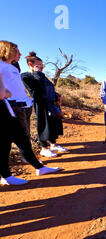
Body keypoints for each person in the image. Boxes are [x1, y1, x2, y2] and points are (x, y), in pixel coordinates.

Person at [0, 41, 61, 186]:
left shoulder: (11, 66)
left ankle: (12, 174)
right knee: (15, 140)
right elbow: (4, 91)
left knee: (16, 140)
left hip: (14, 107)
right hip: (9, 107)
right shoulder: (1, 66)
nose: (20, 53)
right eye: (16, 50)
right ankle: (11, 174)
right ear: (8, 50)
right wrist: (6, 93)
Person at [21, 51, 67, 158]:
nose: (42, 68)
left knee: (53, 124)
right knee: (43, 125)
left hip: (52, 104)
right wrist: (37, 73)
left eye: (42, 65)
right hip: (41, 104)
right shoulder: (26, 76)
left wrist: (56, 95)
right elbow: (36, 91)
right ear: (30, 64)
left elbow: (48, 87)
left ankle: (53, 144)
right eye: (39, 65)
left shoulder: (42, 75)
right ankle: (44, 148)